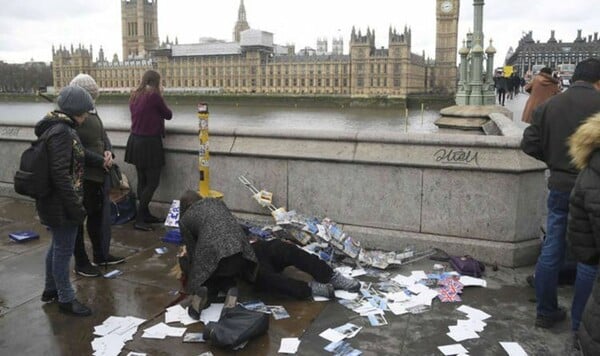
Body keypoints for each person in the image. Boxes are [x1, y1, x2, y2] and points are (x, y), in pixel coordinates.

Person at [177, 190, 361, 318]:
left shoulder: (186, 220)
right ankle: (320, 283)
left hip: (244, 257)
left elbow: (195, 256)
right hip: (245, 251)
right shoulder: (216, 203)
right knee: (271, 271)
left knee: (281, 255)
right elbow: (232, 228)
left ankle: (327, 278)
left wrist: (192, 271)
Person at [521, 58, 600, 330]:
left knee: (552, 247)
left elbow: (528, 144)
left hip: (560, 186)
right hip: (595, 190)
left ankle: (545, 311)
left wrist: (554, 161)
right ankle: (580, 323)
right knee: (590, 256)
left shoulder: (549, 106)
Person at [38, 85, 95, 316]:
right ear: (75, 111)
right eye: (84, 112)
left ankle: (50, 289)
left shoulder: (56, 127)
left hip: (54, 200)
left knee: (57, 246)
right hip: (62, 203)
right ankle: (65, 298)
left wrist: (101, 160)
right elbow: (61, 174)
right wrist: (75, 206)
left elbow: (77, 154)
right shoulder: (62, 132)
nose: (86, 116)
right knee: (63, 250)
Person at [70, 74, 125, 277]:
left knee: (97, 218)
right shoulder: (73, 117)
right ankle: (81, 262)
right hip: (84, 176)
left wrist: (109, 151)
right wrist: (99, 159)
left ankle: (100, 254)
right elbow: (75, 148)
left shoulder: (91, 110)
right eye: (90, 96)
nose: (93, 101)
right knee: (79, 221)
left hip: (98, 175)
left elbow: (103, 136)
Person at [566, 112, 600, 353]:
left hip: (559, 185)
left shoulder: (590, 165)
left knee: (586, 270)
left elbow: (530, 141)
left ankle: (577, 328)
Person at [124, 70, 173, 231]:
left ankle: (145, 214)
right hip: (149, 143)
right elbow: (168, 115)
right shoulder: (154, 96)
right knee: (152, 182)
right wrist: (162, 96)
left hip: (135, 141)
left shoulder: (135, 95)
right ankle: (139, 218)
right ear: (156, 82)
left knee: (142, 180)